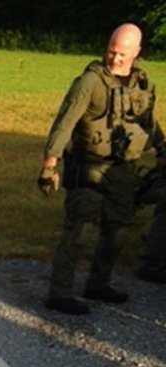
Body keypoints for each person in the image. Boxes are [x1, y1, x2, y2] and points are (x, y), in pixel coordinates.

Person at [38, 23, 166, 315]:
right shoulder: (90, 83)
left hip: (122, 169)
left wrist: (161, 147)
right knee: (76, 231)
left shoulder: (142, 83)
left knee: (118, 229)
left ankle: (98, 283)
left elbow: (148, 122)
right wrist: (50, 163)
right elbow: (65, 122)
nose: (115, 58)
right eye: (111, 51)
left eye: (122, 53)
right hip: (88, 166)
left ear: (137, 53)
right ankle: (59, 293)